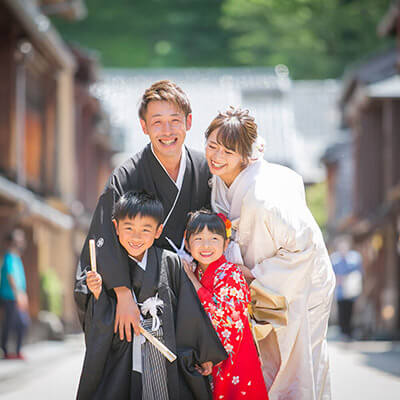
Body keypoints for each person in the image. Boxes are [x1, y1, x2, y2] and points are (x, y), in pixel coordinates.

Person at [204, 107, 336, 400]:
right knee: (266, 364)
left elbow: (304, 248)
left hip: (299, 285)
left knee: (296, 367)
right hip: (263, 289)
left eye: (227, 151)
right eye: (212, 146)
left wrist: (252, 275)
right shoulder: (220, 181)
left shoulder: (264, 196)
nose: (216, 156)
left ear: (245, 156)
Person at [75, 80, 211, 343]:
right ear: (144, 126)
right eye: (157, 122)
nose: (167, 130)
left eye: (175, 120)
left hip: (195, 291)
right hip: (140, 293)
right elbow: (103, 236)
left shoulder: (205, 169)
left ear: (189, 122)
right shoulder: (127, 175)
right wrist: (123, 293)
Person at [76, 191, 227, 400]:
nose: (136, 237)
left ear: (158, 231)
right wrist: (98, 293)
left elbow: (188, 310)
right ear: (115, 227)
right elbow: (96, 312)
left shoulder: (170, 262)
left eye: (145, 229)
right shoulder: (110, 269)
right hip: (125, 353)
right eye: (128, 228)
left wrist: (203, 353)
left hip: (163, 352)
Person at [183, 210, 268, 400]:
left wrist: (192, 282)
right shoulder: (196, 271)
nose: (206, 245)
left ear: (226, 243)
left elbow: (228, 322)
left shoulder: (231, 273)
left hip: (233, 357)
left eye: (214, 238)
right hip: (210, 358)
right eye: (198, 239)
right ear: (187, 243)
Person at [0, 229, 30, 360]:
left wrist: (23, 294)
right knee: (13, 323)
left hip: (18, 296)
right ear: (13, 242)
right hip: (10, 296)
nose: (22, 242)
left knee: (21, 323)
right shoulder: (9, 257)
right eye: (19, 240)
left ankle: (16, 351)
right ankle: (7, 351)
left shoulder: (17, 258)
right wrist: (18, 294)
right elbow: (11, 276)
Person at [331, 235, 363, 339]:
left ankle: (350, 331)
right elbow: (331, 273)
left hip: (352, 288)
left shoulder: (355, 257)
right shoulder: (334, 259)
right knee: (342, 310)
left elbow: (360, 271)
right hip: (340, 290)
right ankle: (343, 332)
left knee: (351, 310)